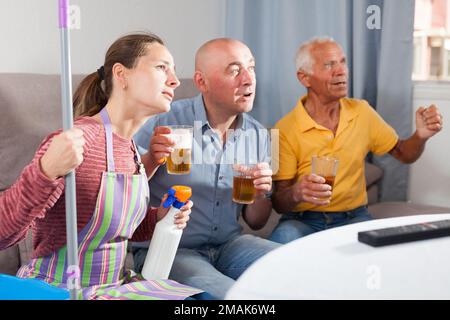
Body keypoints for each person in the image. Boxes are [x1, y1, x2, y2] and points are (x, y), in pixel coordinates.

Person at [0, 32, 208, 300]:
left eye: (174, 71)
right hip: (60, 290)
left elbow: (116, 232)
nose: (175, 81)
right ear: (121, 75)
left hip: (113, 287)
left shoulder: (130, 149)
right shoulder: (79, 141)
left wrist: (158, 217)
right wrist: (45, 171)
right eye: (161, 67)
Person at [132, 38, 280, 299]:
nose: (248, 79)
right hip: (172, 248)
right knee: (232, 297)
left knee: (295, 267)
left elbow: (256, 221)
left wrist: (261, 194)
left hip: (230, 245)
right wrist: (152, 160)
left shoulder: (258, 134)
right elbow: (123, 187)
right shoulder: (165, 119)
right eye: (234, 70)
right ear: (202, 82)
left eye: (251, 68)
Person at [269, 37, 443, 244]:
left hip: (353, 217)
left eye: (343, 62)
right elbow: (279, 202)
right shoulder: (284, 128)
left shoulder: (362, 112)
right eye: (329, 65)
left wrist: (420, 135)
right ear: (304, 78)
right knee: (281, 242)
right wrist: (297, 193)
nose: (341, 71)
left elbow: (405, 153)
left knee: (377, 258)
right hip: (304, 220)